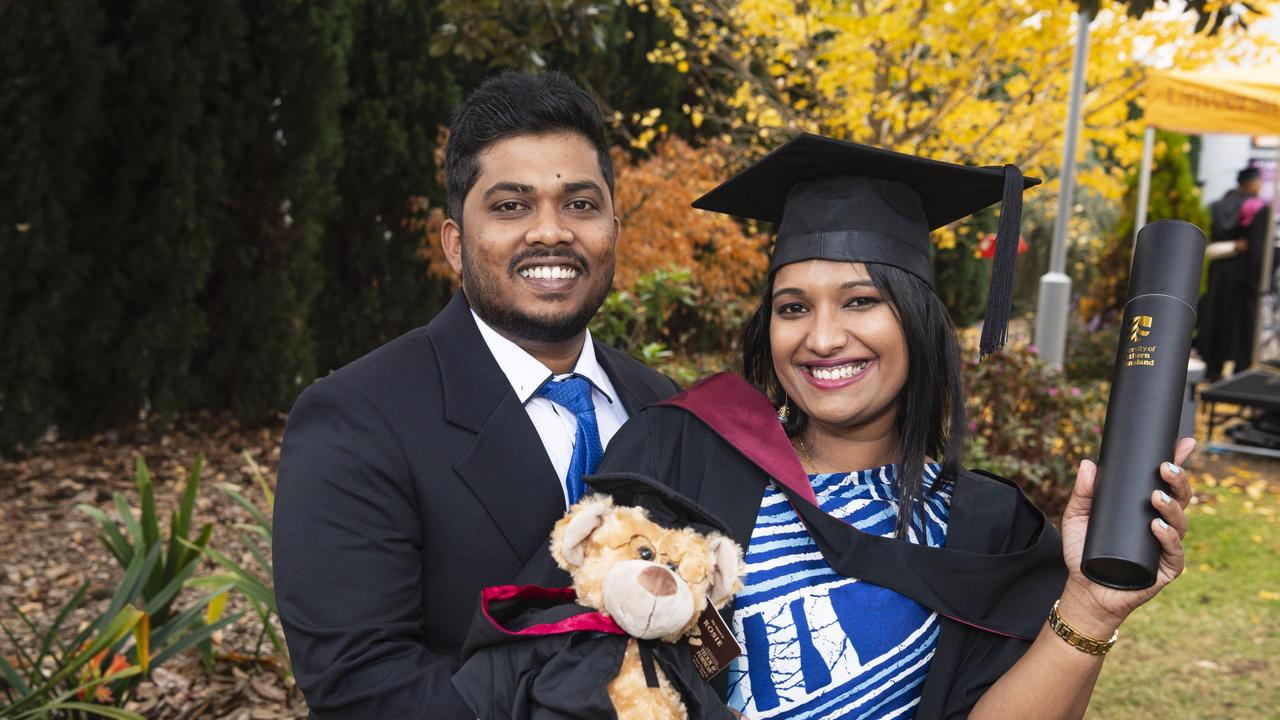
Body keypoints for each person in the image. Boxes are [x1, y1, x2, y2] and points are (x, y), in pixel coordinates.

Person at [598, 134, 1194, 719]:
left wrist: (1090, 610)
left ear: (918, 320)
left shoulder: (983, 526)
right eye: (793, 308)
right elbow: (586, 660)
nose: (823, 338)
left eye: (861, 301)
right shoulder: (687, 455)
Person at [272, 70, 680, 719]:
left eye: (580, 203)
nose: (551, 232)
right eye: (511, 206)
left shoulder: (665, 406)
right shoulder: (356, 419)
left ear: (614, 230)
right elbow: (363, 686)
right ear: (456, 245)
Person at [1197, 166, 1270, 381]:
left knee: (1215, 318)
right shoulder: (1257, 208)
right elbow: (1258, 250)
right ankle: (1241, 375)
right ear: (1251, 183)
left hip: (1217, 273)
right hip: (1245, 278)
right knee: (1241, 327)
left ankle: (1213, 370)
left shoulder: (1215, 206)